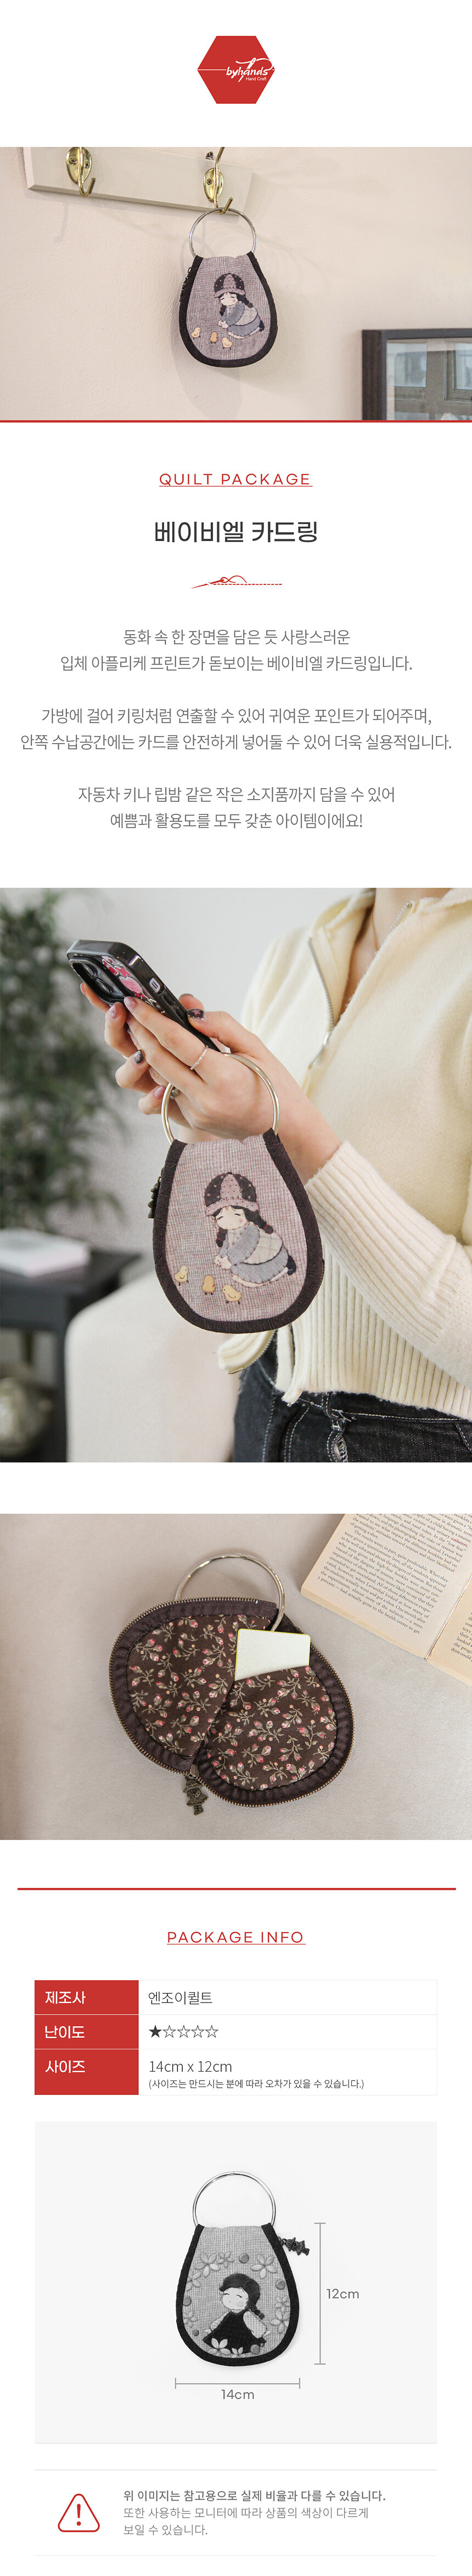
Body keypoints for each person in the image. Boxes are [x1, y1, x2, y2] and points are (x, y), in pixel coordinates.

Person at [81, 887, 472, 1461]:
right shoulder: (296, 953)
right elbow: (264, 1205)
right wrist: (205, 1115)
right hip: (266, 1395)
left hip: (420, 1442)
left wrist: (290, 1129)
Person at [203, 2272, 266, 2354]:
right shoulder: (228, 2314)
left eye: (239, 2296)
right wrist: (212, 2329)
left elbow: (259, 2329)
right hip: (223, 2339)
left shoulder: (246, 2315)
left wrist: (258, 2336)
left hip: (241, 2341)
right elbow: (218, 2322)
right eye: (227, 2294)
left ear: (250, 2301)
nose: (230, 2299)